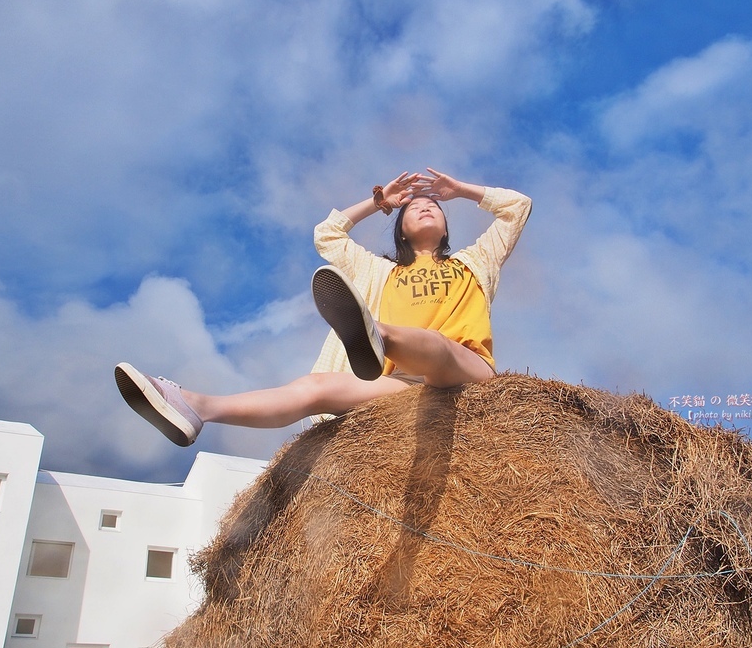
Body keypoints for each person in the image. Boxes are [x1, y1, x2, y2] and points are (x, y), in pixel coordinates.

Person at [115, 168, 532, 447]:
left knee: (436, 345)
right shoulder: (378, 271)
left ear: (445, 225)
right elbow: (328, 234)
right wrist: (380, 200)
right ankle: (198, 406)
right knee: (314, 388)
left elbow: (517, 208)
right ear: (401, 231)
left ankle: (375, 335)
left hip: (466, 371)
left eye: (434, 206)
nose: (425, 206)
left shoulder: (475, 262)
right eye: (413, 208)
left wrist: (460, 190)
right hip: (404, 384)